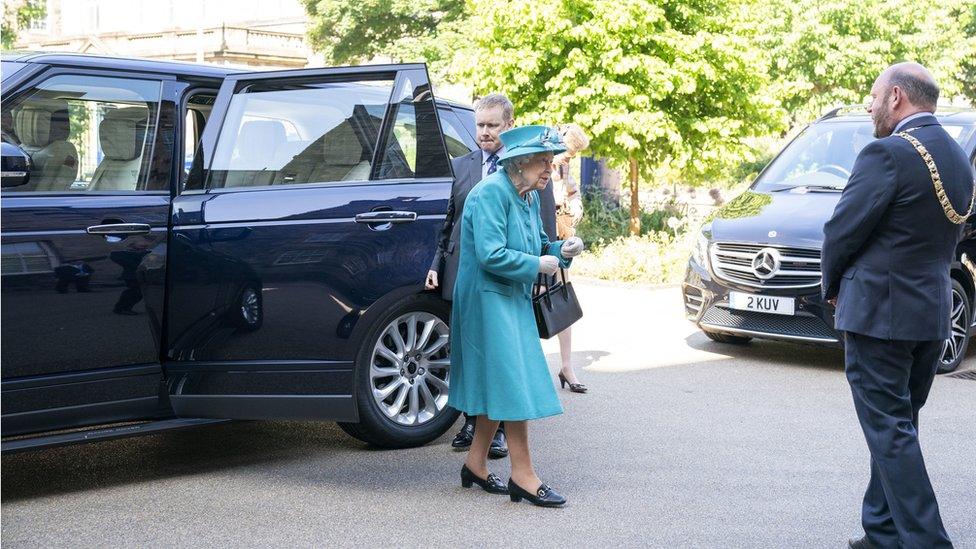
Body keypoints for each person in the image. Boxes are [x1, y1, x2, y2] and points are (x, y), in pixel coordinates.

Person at [822, 62, 972, 549]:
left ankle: (928, 542)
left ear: (896, 99)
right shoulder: (959, 156)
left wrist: (830, 288)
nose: (868, 105)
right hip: (930, 316)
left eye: (873, 95)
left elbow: (841, 230)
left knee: (890, 432)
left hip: (878, 316)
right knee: (897, 428)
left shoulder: (886, 154)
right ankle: (882, 532)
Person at [448, 125, 584, 507]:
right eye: (543, 162)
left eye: (550, 162)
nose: (549, 170)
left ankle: (475, 464)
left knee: (501, 381)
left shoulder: (524, 194)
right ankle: (523, 476)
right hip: (486, 299)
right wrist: (538, 264)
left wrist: (562, 249)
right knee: (512, 384)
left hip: (508, 296)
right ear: (520, 162)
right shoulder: (491, 193)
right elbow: (490, 254)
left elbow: (539, 244)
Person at [427, 93, 514, 458]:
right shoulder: (462, 166)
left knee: (498, 355)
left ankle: (497, 430)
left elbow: (538, 224)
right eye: (480, 125)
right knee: (464, 353)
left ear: (509, 125)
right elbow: (449, 222)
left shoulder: (518, 166)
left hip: (501, 277)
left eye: (493, 125)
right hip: (462, 275)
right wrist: (435, 264)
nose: (485, 132)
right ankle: (470, 422)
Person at [549, 123, 589, 393]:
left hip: (558, 233)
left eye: (572, 156)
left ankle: (566, 366)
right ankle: (529, 367)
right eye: (566, 153)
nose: (568, 159)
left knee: (563, 298)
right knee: (533, 300)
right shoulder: (535, 160)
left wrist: (576, 203)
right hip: (538, 235)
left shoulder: (562, 166)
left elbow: (571, 190)